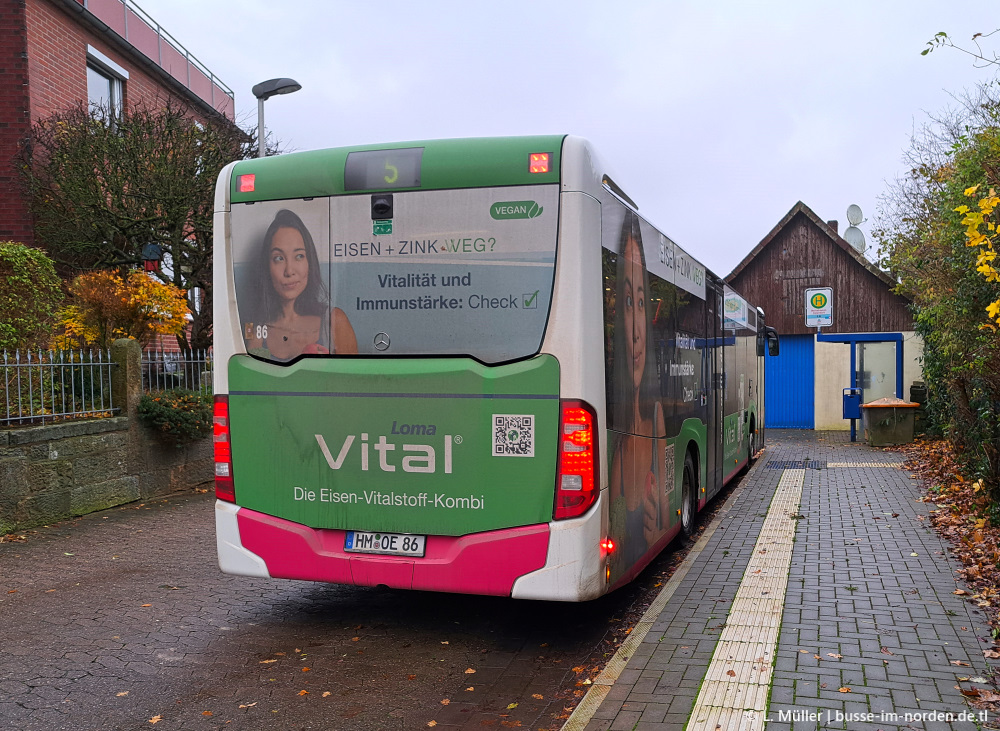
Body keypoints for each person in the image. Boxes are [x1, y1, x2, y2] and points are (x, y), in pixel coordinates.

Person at [609, 210, 666, 567]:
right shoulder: (610, 437)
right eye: (627, 302)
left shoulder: (657, 416)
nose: (636, 331)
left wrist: (658, 535)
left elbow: (661, 525)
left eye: (642, 302)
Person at [245, 209, 357, 359]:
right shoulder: (255, 327)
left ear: (309, 262)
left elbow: (350, 380)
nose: (289, 271)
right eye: (278, 258)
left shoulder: (335, 321)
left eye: (299, 256)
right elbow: (251, 379)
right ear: (267, 267)